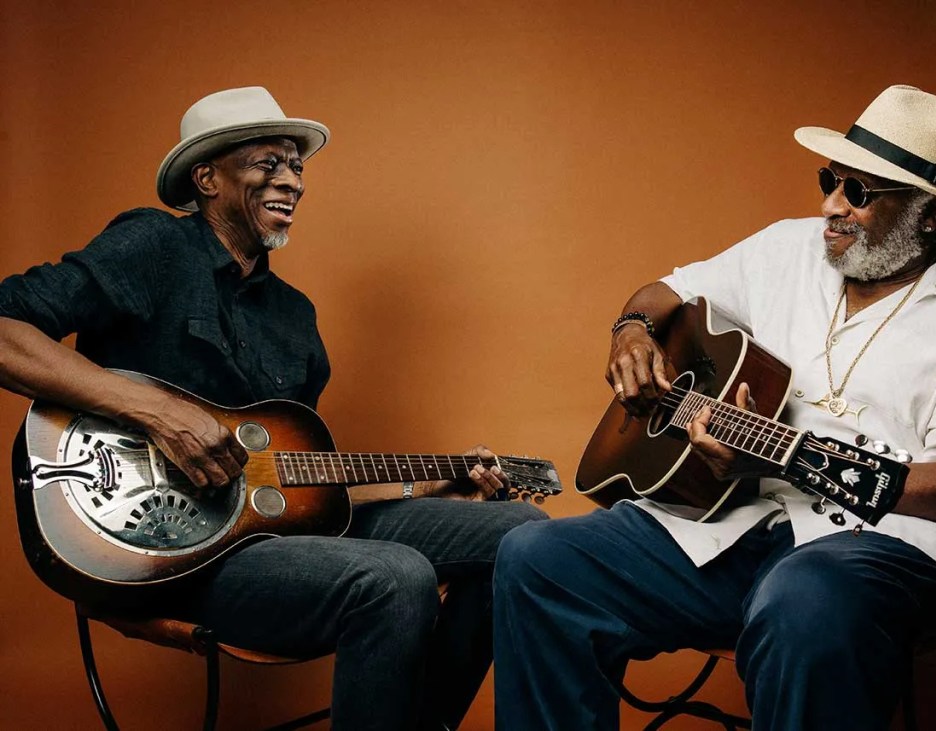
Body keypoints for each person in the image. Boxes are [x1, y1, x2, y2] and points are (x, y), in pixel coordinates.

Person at [0, 86, 546, 731]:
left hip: (271, 543)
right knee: (395, 574)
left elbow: (288, 488)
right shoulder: (153, 245)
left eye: (296, 166)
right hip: (162, 551)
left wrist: (421, 486)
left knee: (520, 533)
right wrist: (156, 411)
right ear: (207, 179)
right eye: (268, 163)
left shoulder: (294, 317)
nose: (292, 181)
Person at [493, 84, 936, 730]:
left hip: (887, 548)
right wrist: (631, 329)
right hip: (743, 526)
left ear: (930, 215)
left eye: (859, 192)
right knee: (537, 559)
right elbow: (667, 292)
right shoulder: (788, 249)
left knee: (805, 599)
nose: (831, 206)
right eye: (831, 180)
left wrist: (800, 459)